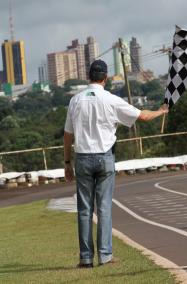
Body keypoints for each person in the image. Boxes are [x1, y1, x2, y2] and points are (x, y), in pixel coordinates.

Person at [64, 59, 168, 268]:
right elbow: (143, 116)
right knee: (103, 208)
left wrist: (67, 162)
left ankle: (85, 258)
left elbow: (67, 135)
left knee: (84, 209)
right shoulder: (110, 99)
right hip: (105, 158)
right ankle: (105, 255)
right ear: (106, 78)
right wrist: (161, 111)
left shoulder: (75, 100)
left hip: (82, 158)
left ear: (88, 76)